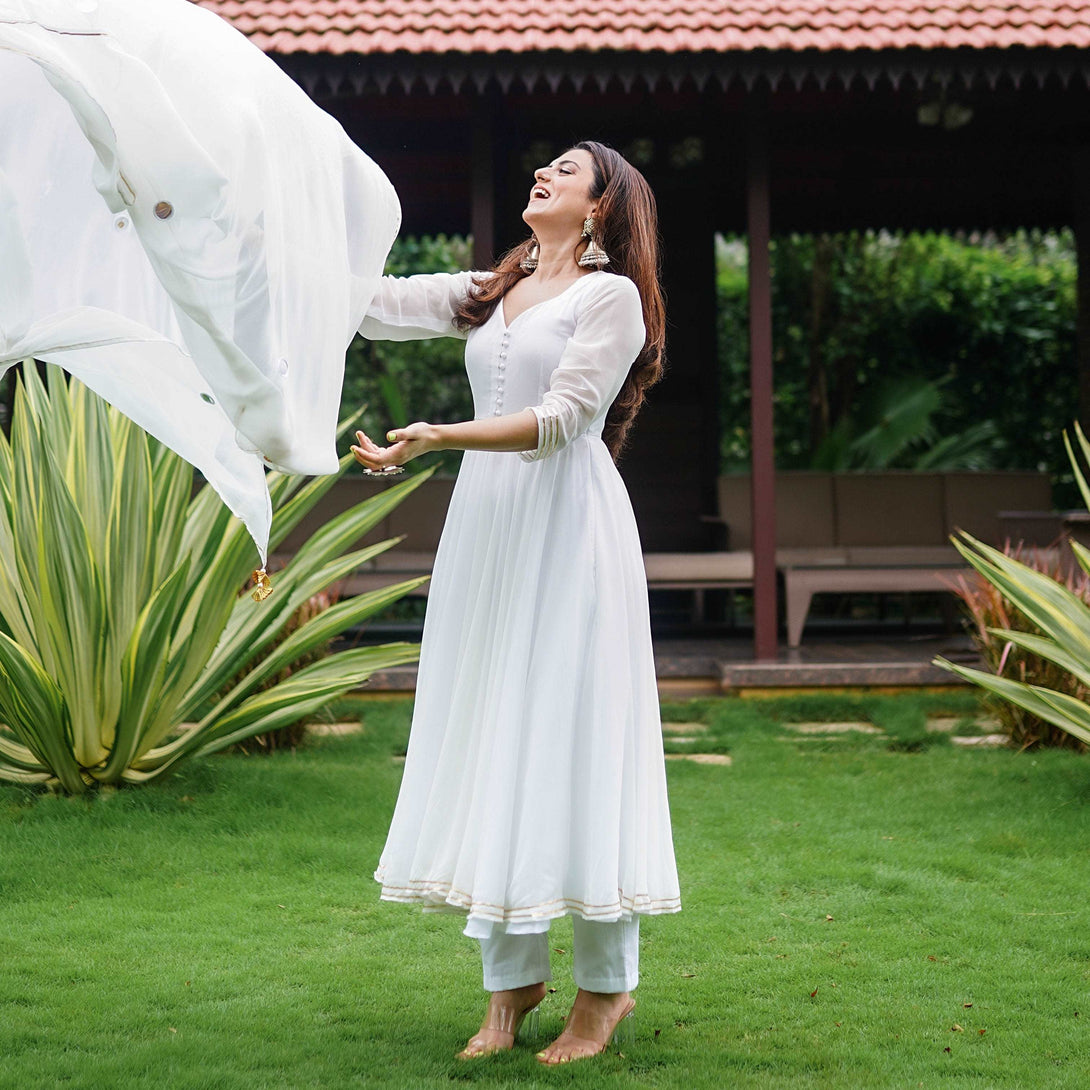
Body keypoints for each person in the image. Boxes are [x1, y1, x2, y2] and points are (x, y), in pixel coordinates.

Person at [351, 140, 680, 1065]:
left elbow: (563, 419)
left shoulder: (606, 299)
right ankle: (511, 981)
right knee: (495, 725)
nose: (544, 173)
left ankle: (605, 990)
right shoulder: (492, 291)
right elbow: (375, 305)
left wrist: (435, 434)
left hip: (567, 528)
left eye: (568, 170)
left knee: (571, 731)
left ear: (602, 207)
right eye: (546, 166)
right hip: (487, 530)